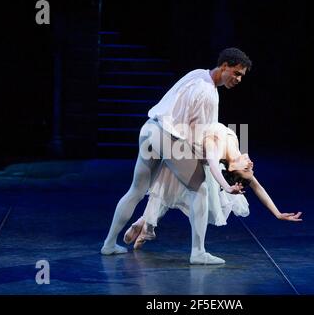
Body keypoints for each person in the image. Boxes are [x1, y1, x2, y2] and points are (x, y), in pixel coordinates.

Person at [101, 48, 252, 265]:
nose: (238, 79)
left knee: (136, 190)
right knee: (199, 189)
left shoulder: (198, 73)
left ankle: (108, 244)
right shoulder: (209, 94)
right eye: (236, 73)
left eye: (241, 76)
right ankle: (198, 252)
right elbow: (198, 137)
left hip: (149, 129)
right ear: (225, 66)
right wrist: (212, 168)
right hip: (167, 136)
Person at [124, 123, 303, 253]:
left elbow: (218, 168)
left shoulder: (216, 147)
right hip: (188, 147)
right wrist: (278, 213)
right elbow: (257, 186)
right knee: (168, 184)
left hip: (193, 156)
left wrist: (277, 214)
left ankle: (145, 224)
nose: (251, 164)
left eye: (247, 168)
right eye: (251, 168)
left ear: (232, 168)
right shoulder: (235, 152)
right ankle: (145, 225)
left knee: (170, 185)